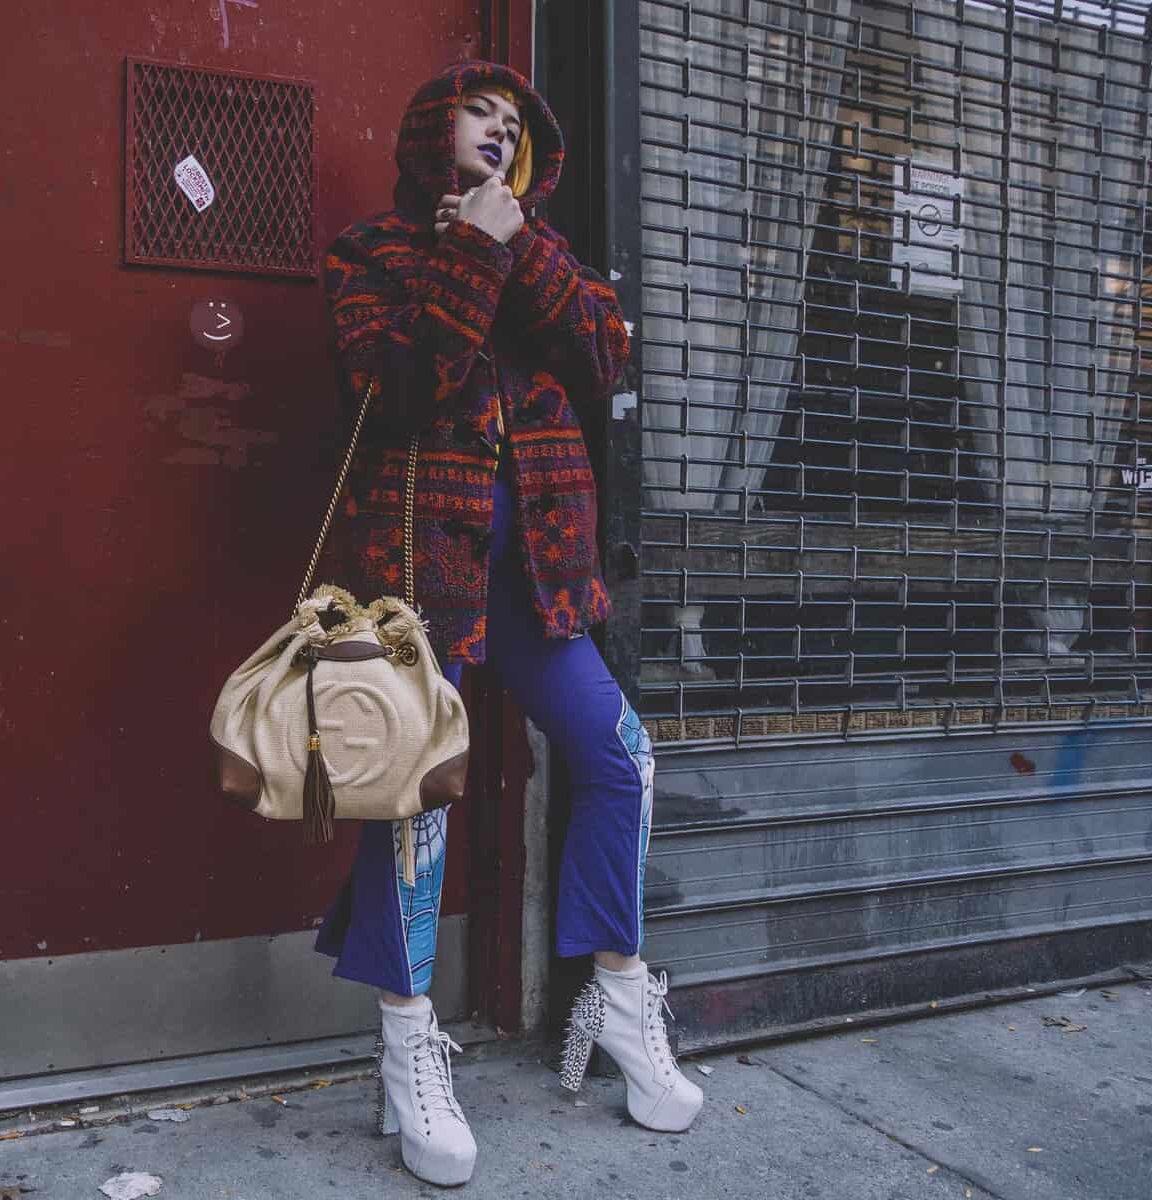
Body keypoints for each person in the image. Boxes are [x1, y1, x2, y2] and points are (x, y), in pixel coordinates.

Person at [311, 60, 705, 1187]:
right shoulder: (368, 256)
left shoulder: (546, 250)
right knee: (416, 790)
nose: (497, 128)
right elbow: (400, 393)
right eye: (478, 111)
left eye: (513, 120)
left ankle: (620, 1000)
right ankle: (407, 1047)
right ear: (434, 128)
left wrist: (517, 244)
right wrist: (472, 253)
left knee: (622, 756)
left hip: (539, 565)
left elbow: (602, 360)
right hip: (414, 573)